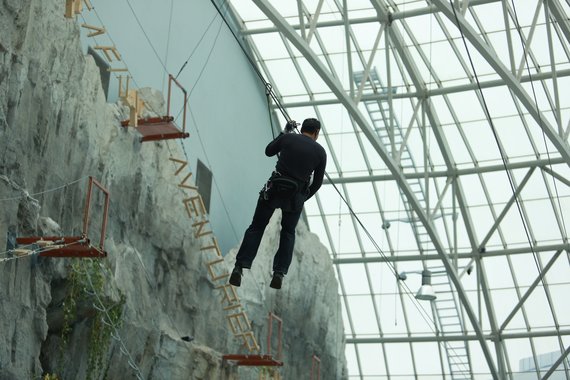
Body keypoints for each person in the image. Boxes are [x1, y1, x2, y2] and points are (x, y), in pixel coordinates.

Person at [229, 118, 327, 289]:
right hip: (295, 197)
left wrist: (285, 131)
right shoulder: (320, 152)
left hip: (274, 189)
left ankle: (239, 267)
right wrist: (303, 198)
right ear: (317, 132)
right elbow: (317, 183)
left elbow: (268, 151)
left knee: (257, 227)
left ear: (301, 128)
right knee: (288, 233)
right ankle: (279, 273)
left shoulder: (288, 138)